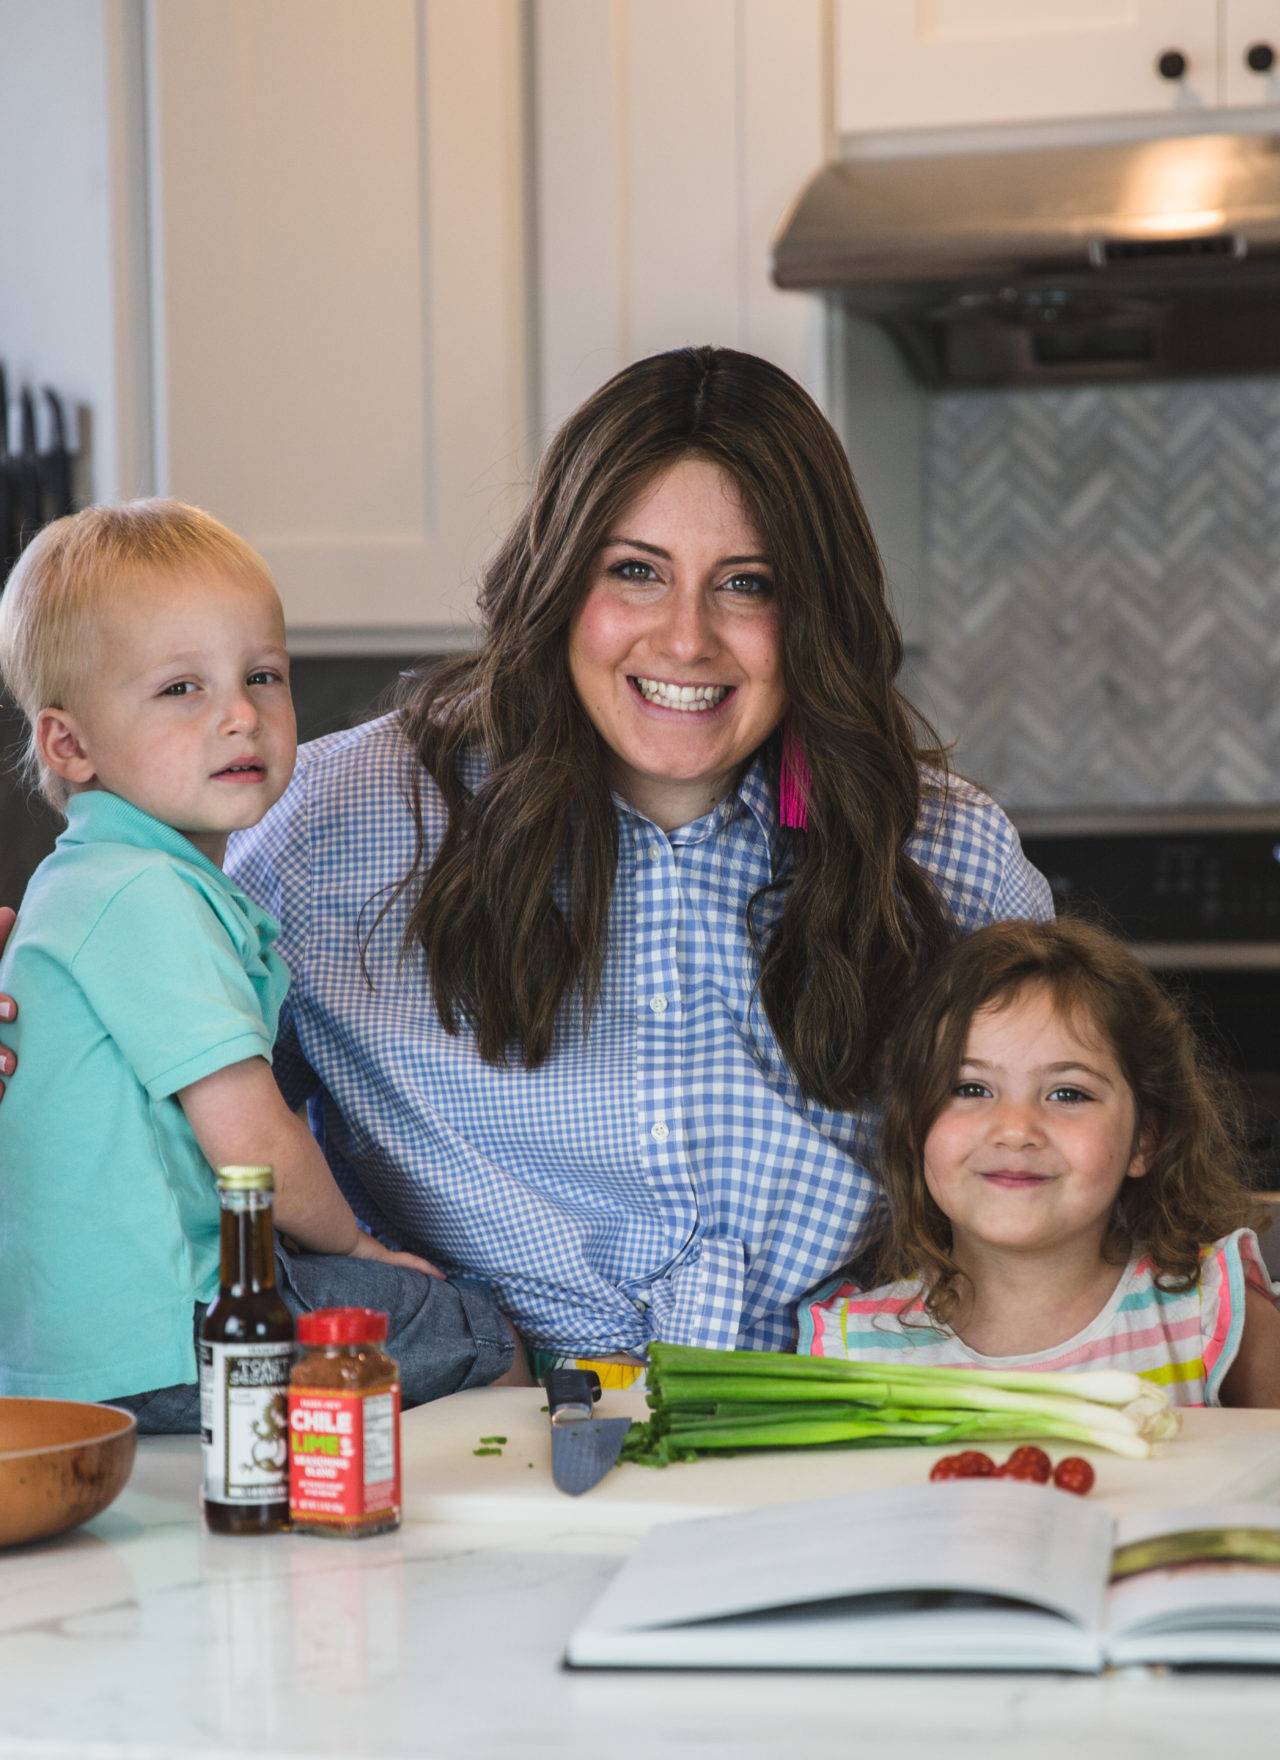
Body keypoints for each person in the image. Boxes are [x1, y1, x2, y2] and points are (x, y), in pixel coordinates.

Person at [0, 347, 1051, 1373]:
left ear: (814, 613)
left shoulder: (945, 851)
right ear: (558, 581)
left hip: (845, 1425)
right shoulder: (329, 826)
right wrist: (31, 1030)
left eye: (747, 583)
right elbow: (150, 1111)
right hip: (472, 1445)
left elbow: (1082, 1177)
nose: (685, 639)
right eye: (633, 572)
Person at [0, 501, 521, 1427]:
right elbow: (254, 1148)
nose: (240, 715)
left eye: (263, 675)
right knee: (469, 1324)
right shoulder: (145, 897)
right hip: (173, 1331)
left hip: (73, 1348)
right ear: (70, 744)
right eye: (180, 690)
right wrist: (360, 1245)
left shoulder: (86, 883)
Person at [800, 916, 1280, 1406]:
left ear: (1144, 1141)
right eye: (969, 1088)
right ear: (913, 1128)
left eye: (1068, 1093)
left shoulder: (1210, 1314)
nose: (1015, 1129)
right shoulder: (852, 1353)